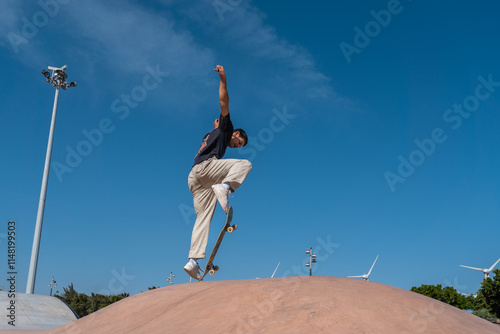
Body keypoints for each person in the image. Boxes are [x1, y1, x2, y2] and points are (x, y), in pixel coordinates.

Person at [184, 65, 252, 280]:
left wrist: (216, 125)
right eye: (237, 142)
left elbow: (214, 123)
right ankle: (225, 187)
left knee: (204, 217)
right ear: (236, 132)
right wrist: (223, 78)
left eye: (238, 146)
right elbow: (224, 102)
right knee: (245, 165)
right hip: (206, 169)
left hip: (195, 178)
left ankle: (193, 261)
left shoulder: (213, 131)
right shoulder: (225, 128)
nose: (235, 145)